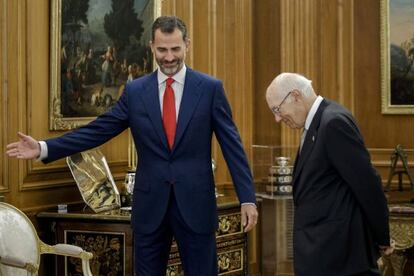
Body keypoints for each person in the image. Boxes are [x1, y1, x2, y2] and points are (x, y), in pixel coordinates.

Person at [6, 16, 258, 276]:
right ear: (151, 47)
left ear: (187, 45)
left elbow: (232, 145)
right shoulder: (136, 91)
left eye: (175, 49)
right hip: (150, 209)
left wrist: (247, 198)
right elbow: (98, 130)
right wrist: (44, 148)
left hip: (196, 207)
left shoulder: (209, 89)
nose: (169, 57)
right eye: (162, 50)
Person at [265, 72, 394, 276]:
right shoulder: (316, 123)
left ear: (296, 96)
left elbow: (367, 184)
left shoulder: (333, 122)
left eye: (277, 109)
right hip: (323, 254)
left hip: (341, 258)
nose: (277, 118)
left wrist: (382, 237)